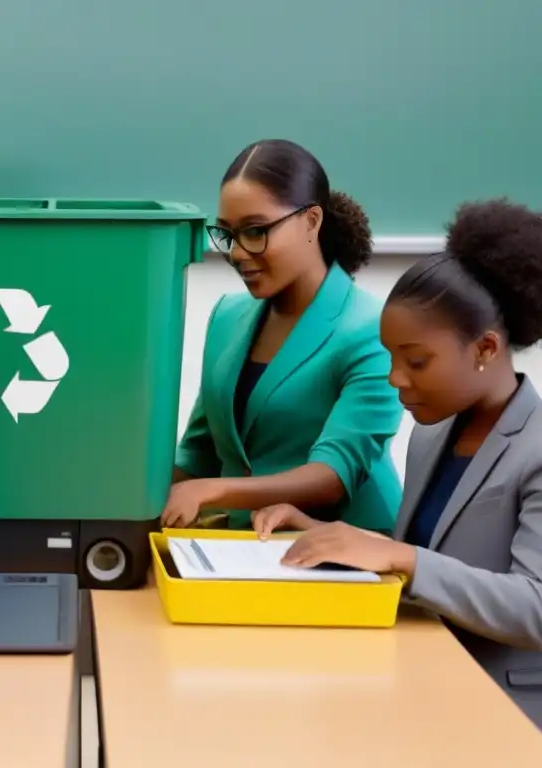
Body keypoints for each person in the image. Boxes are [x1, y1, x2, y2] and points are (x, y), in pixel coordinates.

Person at [258, 199, 542, 727]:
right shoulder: (432, 436)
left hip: (507, 716)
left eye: (416, 361)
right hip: (420, 683)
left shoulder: (537, 450)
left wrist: (399, 557)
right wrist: (328, 535)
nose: (395, 379)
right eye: (390, 358)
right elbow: (425, 561)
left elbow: (535, 608)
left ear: (484, 348)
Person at [162, 139, 402, 532]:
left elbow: (331, 476)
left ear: (311, 222)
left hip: (349, 555)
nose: (238, 252)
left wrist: (214, 492)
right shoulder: (227, 315)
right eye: (227, 234)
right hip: (245, 549)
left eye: (256, 231)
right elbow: (200, 451)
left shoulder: (372, 329)